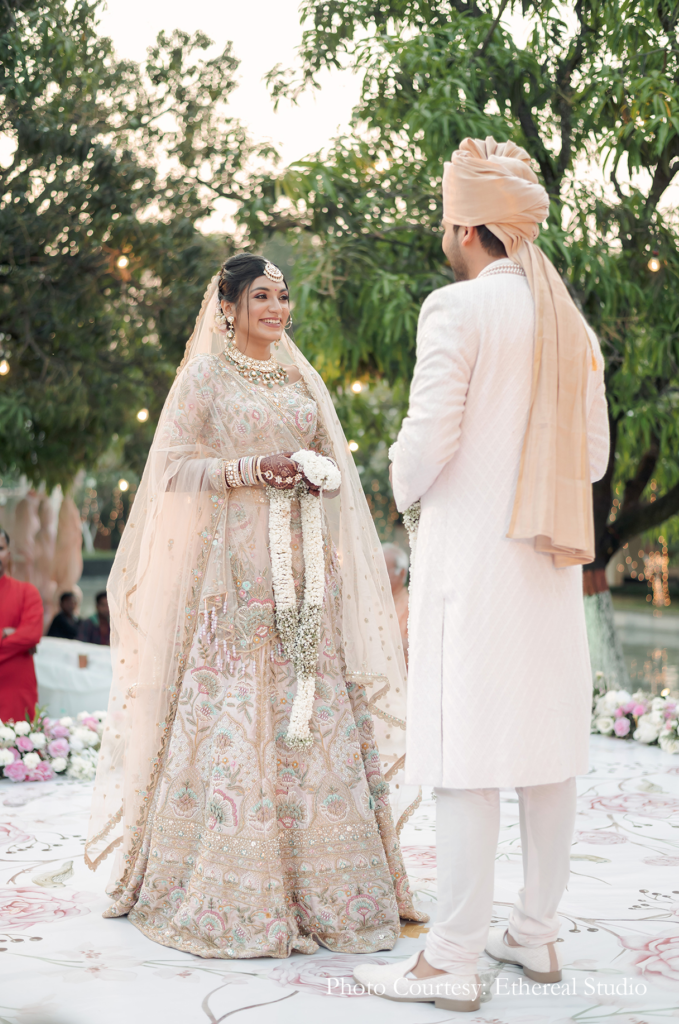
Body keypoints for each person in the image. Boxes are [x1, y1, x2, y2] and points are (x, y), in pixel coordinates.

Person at [86, 253, 426, 959]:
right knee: (240, 711)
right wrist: (248, 471)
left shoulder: (302, 377)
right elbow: (172, 466)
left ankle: (327, 885)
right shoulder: (206, 374)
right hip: (235, 573)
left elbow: (332, 464)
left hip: (305, 572)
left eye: (283, 296)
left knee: (311, 713)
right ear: (229, 307)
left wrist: (317, 477)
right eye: (262, 296)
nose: (277, 308)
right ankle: (230, 882)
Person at [354, 137, 609, 1012]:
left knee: (462, 756)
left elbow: (424, 446)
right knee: (544, 756)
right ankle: (534, 938)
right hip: (546, 570)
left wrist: (394, 484)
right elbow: (598, 458)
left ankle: (451, 962)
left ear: (464, 228)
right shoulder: (567, 321)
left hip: (471, 566)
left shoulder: (455, 309)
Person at [0, 527, 43, 722]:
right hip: (16, 669)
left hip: (16, 691)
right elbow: (24, 638)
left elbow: (31, 635)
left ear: (8, 554)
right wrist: (3, 634)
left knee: (18, 748)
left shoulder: (27, 592)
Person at [382, 542, 410, 666]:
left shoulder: (412, 606)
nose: (378, 576)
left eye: (384, 570)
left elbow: (415, 645)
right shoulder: (371, 602)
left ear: (402, 573)